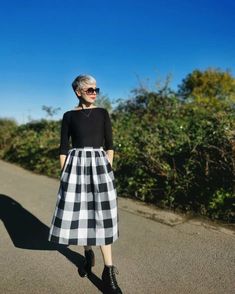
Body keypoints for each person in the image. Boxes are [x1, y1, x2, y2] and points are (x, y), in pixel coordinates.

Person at [48, 74, 122, 294]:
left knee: (102, 216)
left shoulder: (102, 113)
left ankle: (108, 272)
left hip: (100, 167)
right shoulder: (69, 116)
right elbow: (63, 147)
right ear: (78, 91)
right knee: (81, 214)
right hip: (75, 168)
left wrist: (107, 168)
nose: (94, 93)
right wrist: (65, 175)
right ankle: (88, 254)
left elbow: (110, 144)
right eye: (89, 89)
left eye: (96, 89)